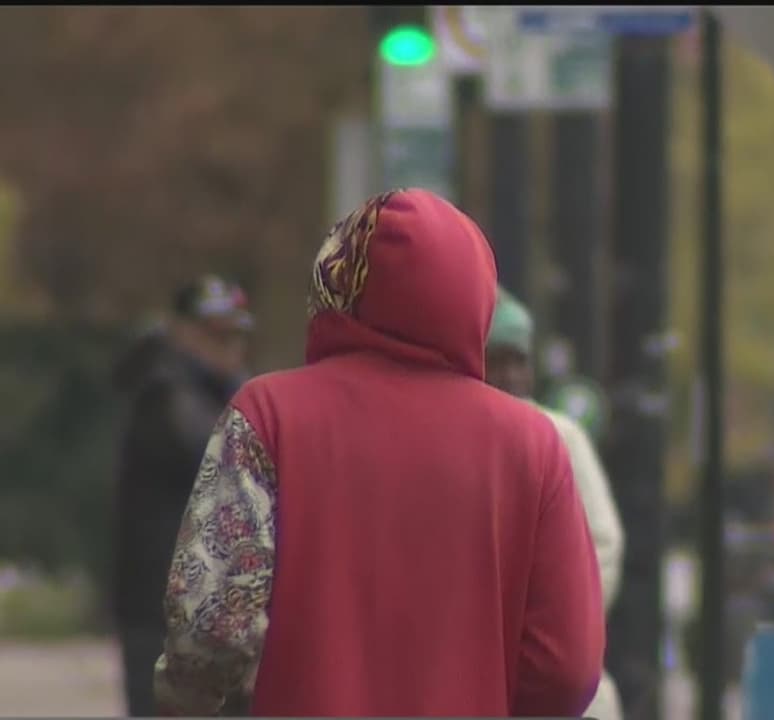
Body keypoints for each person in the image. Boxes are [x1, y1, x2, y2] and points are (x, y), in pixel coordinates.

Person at [153, 189, 604, 717]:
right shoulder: (533, 444)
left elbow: (211, 628)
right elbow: (567, 670)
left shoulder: (267, 416)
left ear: (337, 283)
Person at [112, 275, 253, 717]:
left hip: (206, 606)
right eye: (214, 334)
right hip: (164, 608)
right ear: (180, 332)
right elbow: (215, 456)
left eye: (233, 335)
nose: (226, 347)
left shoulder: (218, 390)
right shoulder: (164, 392)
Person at [486, 287, 627, 720]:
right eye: (498, 359)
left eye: (519, 360)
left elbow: (603, 543)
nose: (511, 373)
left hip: (553, 674)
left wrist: (557, 626)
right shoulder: (459, 436)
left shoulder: (560, 435)